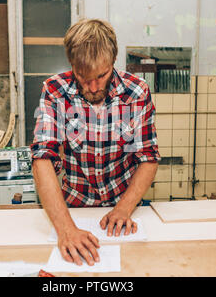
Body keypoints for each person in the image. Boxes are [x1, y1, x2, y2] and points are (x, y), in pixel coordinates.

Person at [30, 19, 160, 266]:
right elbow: (42, 158)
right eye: (83, 76)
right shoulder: (55, 90)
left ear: (113, 62)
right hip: (73, 208)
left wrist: (123, 209)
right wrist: (66, 229)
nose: (92, 87)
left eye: (101, 75)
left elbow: (148, 158)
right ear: (72, 65)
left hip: (126, 207)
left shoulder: (136, 92)